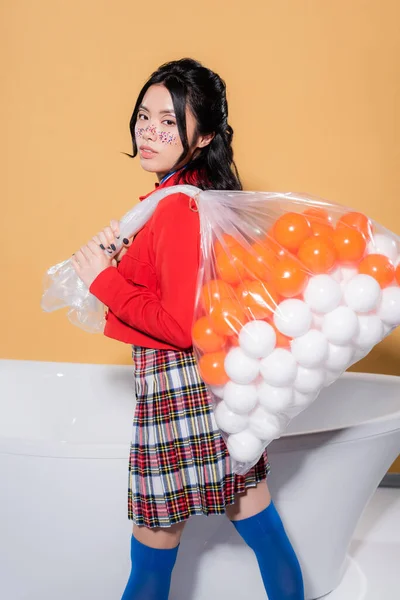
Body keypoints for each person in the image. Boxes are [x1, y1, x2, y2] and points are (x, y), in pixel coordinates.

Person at [72, 58, 304, 600]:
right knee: (260, 526)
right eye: (145, 115)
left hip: (179, 399)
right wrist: (126, 258)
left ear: (201, 137)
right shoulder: (186, 195)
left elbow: (178, 327)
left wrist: (105, 279)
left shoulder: (179, 208)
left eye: (171, 122)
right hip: (214, 391)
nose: (150, 130)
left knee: (151, 558)